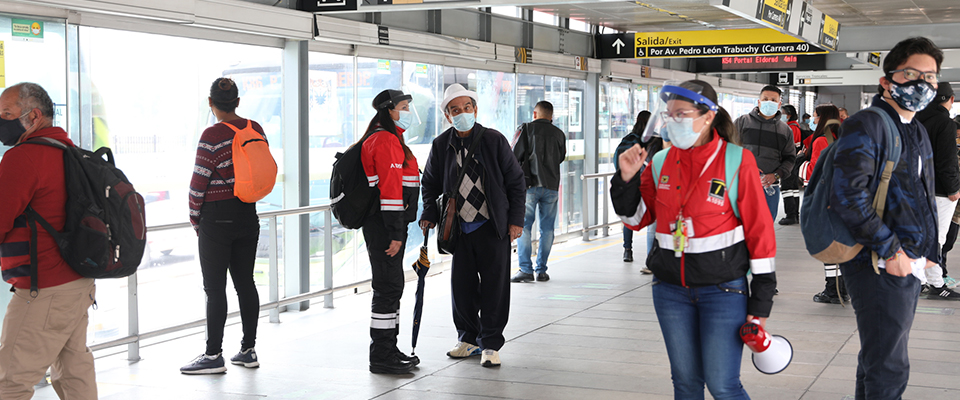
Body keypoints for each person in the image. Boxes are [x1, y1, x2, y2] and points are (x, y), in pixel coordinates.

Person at [612, 80, 777, 399]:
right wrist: (624, 180)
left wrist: (761, 300)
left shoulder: (737, 161)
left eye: (681, 114)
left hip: (724, 291)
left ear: (707, 117)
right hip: (670, 290)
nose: (672, 121)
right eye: (669, 115)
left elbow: (760, 231)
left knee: (722, 384)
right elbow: (636, 219)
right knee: (685, 383)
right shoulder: (660, 161)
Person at [832, 36, 941, 399]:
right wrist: (891, 250)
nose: (922, 84)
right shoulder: (867, 124)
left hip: (906, 260)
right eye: (912, 74)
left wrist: (929, 253)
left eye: (931, 77)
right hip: (877, 261)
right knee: (890, 366)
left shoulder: (917, 129)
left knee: (879, 357)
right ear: (887, 80)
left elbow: (922, 198)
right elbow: (848, 196)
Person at [0, 83, 98, 399]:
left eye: (6, 113)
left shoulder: (23, 158)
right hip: (78, 282)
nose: (1, 120)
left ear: (34, 116)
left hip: (43, 290)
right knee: (74, 375)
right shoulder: (71, 152)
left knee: (9, 382)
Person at [420, 84, 525, 368]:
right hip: (460, 229)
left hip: (492, 227)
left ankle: (490, 344)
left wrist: (516, 220)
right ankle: (468, 339)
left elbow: (516, 182)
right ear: (447, 115)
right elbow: (429, 183)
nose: (462, 113)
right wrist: (429, 211)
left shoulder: (493, 140)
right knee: (462, 287)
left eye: (467, 107)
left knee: (495, 287)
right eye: (455, 110)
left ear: (475, 109)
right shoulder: (441, 145)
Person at [182, 78, 263, 374]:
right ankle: (248, 350)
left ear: (210, 103)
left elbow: (199, 182)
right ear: (237, 102)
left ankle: (213, 355)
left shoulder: (212, 134)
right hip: (247, 213)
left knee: (215, 289)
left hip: (216, 218)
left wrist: (195, 218)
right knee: (246, 283)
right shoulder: (255, 129)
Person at [360, 89, 422, 374]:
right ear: (389, 110)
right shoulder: (385, 140)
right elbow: (390, 193)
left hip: (386, 225)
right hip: (384, 227)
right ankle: (381, 354)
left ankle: (389, 349)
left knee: (392, 287)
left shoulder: (390, 137)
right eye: (404, 107)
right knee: (387, 289)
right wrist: (396, 233)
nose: (408, 112)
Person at [511, 100, 567, 283]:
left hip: (528, 186)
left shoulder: (525, 129)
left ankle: (526, 270)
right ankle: (541, 270)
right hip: (551, 186)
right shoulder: (559, 134)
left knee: (524, 227)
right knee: (547, 229)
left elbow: (512, 156)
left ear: (535, 114)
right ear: (551, 117)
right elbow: (560, 158)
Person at [916, 82, 960, 299]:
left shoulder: (917, 120)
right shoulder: (945, 123)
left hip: (918, 186)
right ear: (950, 99)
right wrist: (953, 189)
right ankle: (936, 284)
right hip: (941, 190)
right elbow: (947, 161)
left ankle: (920, 281)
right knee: (937, 238)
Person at [804, 104, 849, 304]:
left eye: (815, 117)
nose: (813, 120)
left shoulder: (822, 140)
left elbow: (814, 172)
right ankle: (844, 289)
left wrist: (801, 166)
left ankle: (832, 291)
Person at [734, 85, 797, 221]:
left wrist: (776, 175)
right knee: (739, 227)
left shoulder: (785, 131)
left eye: (773, 100)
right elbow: (728, 151)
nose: (769, 102)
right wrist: (745, 166)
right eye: (765, 99)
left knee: (765, 226)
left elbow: (790, 158)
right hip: (742, 184)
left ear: (779, 104)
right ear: (759, 101)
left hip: (769, 188)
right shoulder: (742, 122)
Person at [612, 110, 652, 265]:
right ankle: (651, 256)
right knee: (653, 221)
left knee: (628, 217)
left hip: (629, 182)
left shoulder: (627, 139)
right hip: (645, 182)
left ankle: (627, 250)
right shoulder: (648, 141)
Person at [778, 104, 803, 225]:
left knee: (787, 188)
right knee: (793, 188)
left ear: (788, 115)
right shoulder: (795, 126)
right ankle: (794, 214)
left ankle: (791, 215)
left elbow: (789, 147)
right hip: (795, 161)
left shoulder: (790, 128)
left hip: (789, 162)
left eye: (782, 113)